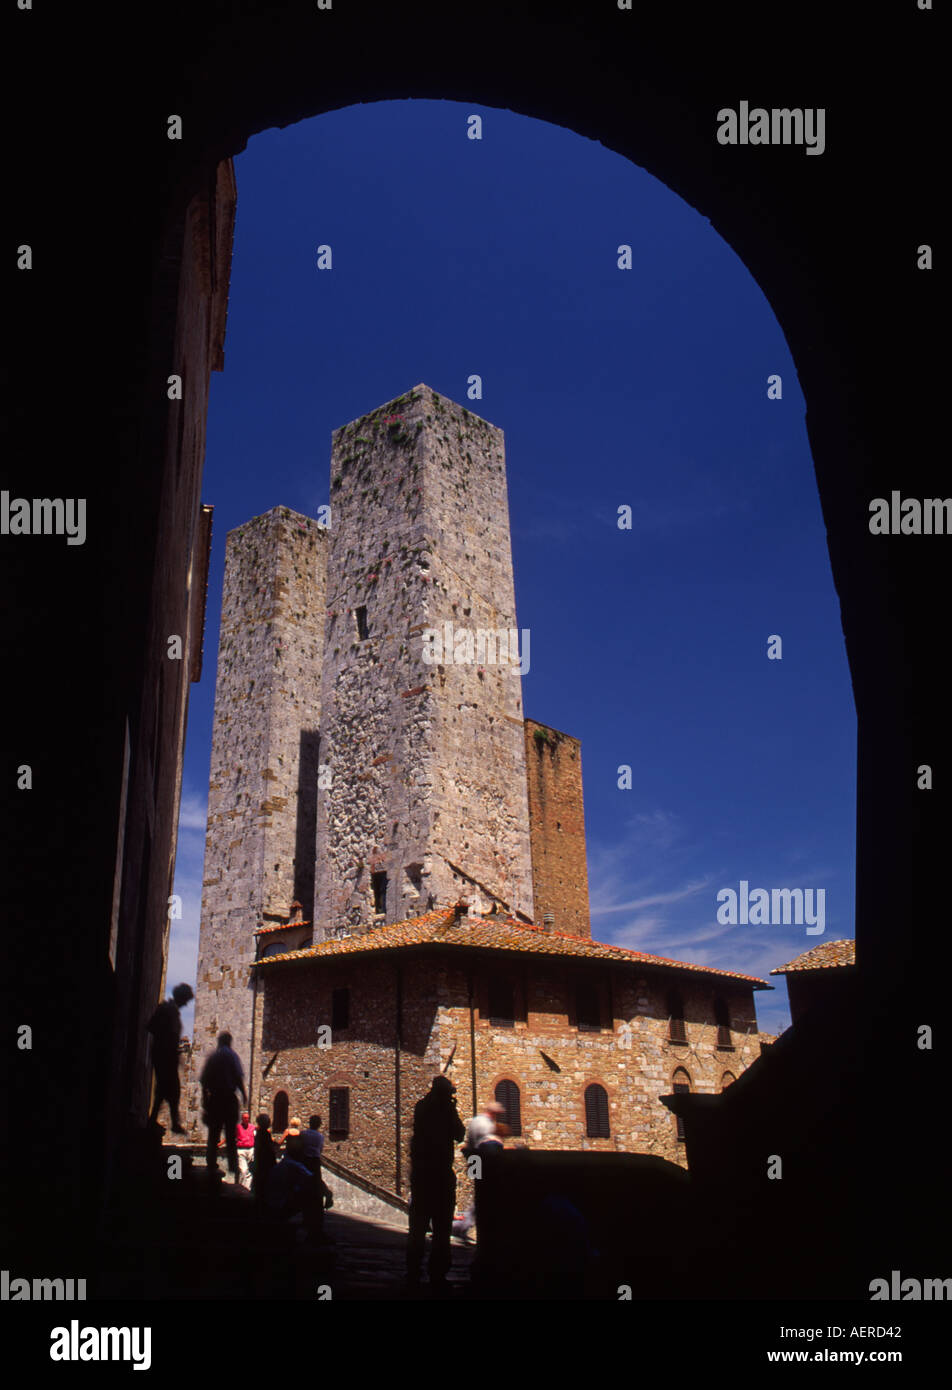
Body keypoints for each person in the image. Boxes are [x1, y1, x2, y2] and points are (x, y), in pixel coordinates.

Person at [406, 1075, 465, 1289]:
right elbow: (459, 1134)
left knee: (418, 1227)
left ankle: (412, 1271)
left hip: (421, 1174)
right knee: (441, 1228)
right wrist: (453, 1108)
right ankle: (437, 1274)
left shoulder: (421, 1107)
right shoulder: (446, 1109)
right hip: (440, 1174)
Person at [199, 1031, 247, 1185]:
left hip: (215, 1098)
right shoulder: (232, 1056)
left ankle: (211, 1162)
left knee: (214, 1133)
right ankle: (233, 1164)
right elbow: (238, 1078)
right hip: (229, 1098)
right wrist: (244, 1094)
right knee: (230, 1132)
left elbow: (204, 1081)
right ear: (229, 1042)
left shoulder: (213, 1057)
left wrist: (205, 1099)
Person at [454, 1099, 505, 1241]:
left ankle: (463, 1225)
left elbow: (470, 1141)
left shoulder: (476, 1121)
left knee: (478, 1191)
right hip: (483, 1160)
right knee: (483, 1194)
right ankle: (462, 1226)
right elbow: (489, 1144)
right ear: (493, 1112)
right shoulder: (487, 1124)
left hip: (474, 1160)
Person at [146, 983, 193, 1133]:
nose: (186, 1003)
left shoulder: (172, 1011)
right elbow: (152, 1026)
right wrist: (165, 1042)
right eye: (185, 999)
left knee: (165, 1090)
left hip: (167, 1056)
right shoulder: (167, 1009)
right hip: (163, 1056)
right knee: (170, 1089)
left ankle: (162, 1121)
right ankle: (172, 1123)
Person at [301, 1115, 334, 1210]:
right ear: (319, 1125)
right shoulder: (320, 1137)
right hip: (315, 1160)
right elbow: (320, 1149)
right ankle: (326, 1193)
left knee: (305, 1178)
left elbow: (301, 1146)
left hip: (305, 1159)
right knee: (316, 1179)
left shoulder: (303, 1134)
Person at [252, 1113, 277, 1205]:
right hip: (266, 1165)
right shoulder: (265, 1135)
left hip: (260, 1165)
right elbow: (269, 1150)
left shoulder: (259, 1134)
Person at [235, 1110, 255, 1190]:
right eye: (245, 1118)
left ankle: (247, 1189)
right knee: (243, 1170)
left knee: (249, 1172)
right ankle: (241, 1188)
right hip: (241, 1150)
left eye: (248, 1118)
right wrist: (220, 1143)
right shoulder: (238, 1127)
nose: (247, 1119)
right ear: (242, 1119)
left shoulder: (252, 1127)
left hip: (250, 1150)